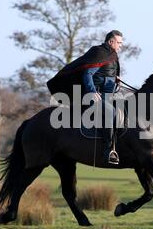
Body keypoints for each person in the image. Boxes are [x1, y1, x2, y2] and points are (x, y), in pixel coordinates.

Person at [47, 30, 123, 165]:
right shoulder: (99, 52)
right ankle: (108, 150)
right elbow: (87, 74)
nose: (120, 46)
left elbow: (104, 73)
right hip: (95, 95)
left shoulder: (112, 54)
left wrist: (114, 79)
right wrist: (92, 92)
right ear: (111, 41)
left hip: (109, 94)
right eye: (119, 43)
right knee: (110, 112)